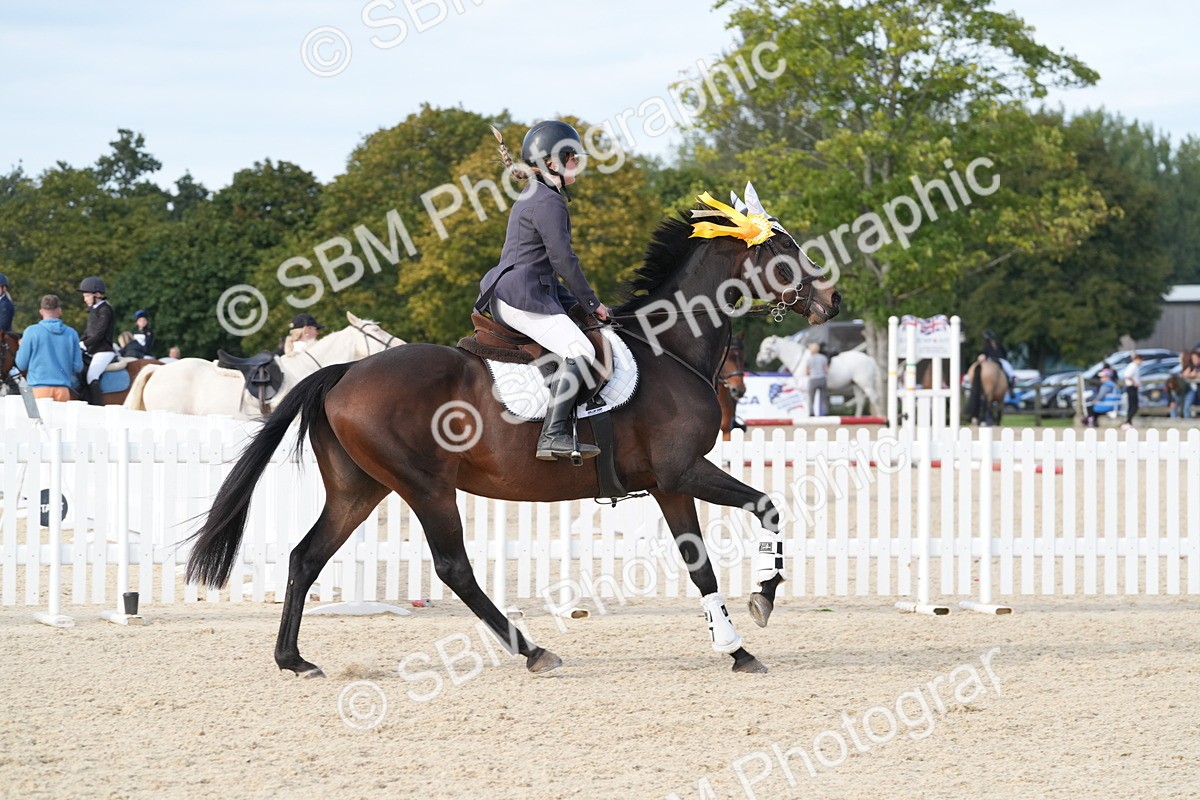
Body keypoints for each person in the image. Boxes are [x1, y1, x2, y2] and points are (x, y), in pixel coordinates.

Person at [475, 120, 609, 461]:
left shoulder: (537, 195)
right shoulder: (548, 201)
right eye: (573, 157)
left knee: (578, 334)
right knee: (581, 352)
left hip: (520, 291)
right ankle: (554, 435)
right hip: (522, 297)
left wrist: (582, 307)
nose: (578, 163)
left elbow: (545, 269)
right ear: (552, 162)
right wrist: (592, 302)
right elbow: (563, 261)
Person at [13, 295, 82, 402]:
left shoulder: (31, 332)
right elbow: (78, 366)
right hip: (63, 390)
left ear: (41, 311)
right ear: (59, 311)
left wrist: (20, 347)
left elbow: (21, 364)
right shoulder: (72, 333)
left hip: (38, 389)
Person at [78, 275, 117, 404]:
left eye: (87, 296)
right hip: (93, 349)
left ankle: (97, 406)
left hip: (104, 351)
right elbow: (87, 332)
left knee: (91, 376)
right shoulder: (93, 310)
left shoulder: (105, 310)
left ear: (98, 295)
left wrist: (84, 344)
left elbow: (99, 334)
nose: (84, 299)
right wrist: (76, 343)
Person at [805, 342, 829, 417]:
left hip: (813, 379)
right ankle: (825, 412)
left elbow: (807, 372)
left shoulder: (809, 359)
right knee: (823, 397)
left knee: (811, 398)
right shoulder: (823, 358)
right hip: (822, 379)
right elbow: (826, 370)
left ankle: (811, 412)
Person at [1121, 352, 1143, 429]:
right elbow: (1127, 376)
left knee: (1132, 405)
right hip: (1131, 387)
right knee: (1134, 406)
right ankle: (1127, 421)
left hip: (1133, 387)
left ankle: (1129, 422)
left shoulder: (1135, 366)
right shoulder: (1132, 366)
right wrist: (1135, 383)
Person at [1181, 349, 1200, 420]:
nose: (1193, 360)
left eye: (1195, 358)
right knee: (1187, 406)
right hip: (1193, 390)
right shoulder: (1192, 366)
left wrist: (1193, 375)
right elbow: (1184, 374)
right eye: (1192, 358)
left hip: (1196, 390)